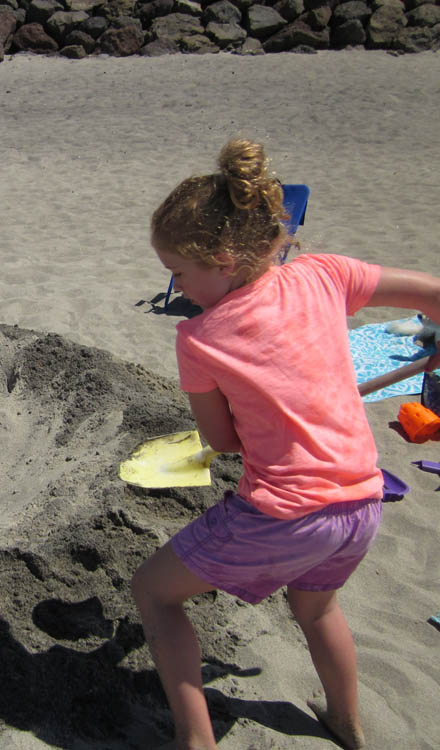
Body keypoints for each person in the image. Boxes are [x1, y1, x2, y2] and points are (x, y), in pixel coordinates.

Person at [130, 138, 440, 750]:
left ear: (222, 258)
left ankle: (197, 741)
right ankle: (346, 723)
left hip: (284, 513)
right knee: (319, 610)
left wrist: (262, 415)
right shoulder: (326, 273)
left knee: (154, 594)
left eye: (180, 271)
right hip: (361, 506)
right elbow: (433, 292)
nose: (177, 285)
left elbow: (221, 439)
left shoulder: (199, 337)